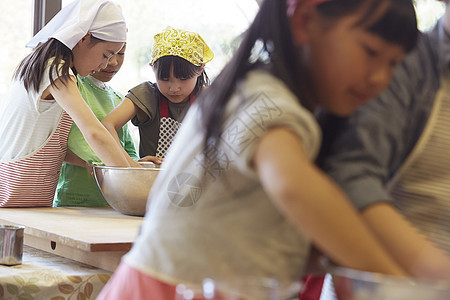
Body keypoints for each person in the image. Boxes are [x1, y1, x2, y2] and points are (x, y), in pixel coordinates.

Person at [97, 0, 418, 299]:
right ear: (305, 20)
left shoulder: (255, 94)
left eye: (394, 64)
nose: (381, 78)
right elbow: (294, 187)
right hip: (168, 288)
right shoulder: (267, 101)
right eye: (371, 52)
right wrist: (395, 281)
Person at [317, 0, 450, 282]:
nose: (380, 75)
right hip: (388, 286)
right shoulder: (406, 61)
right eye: (371, 53)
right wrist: (434, 278)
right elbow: (350, 176)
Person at [0, 0, 140, 208]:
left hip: (25, 198)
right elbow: (94, 132)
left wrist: (87, 163)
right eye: (105, 54)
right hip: (14, 197)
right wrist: (134, 181)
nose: (106, 64)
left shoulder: (43, 65)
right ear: (84, 37)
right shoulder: (57, 71)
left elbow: (41, 144)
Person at [102, 26, 213, 164]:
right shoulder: (146, 95)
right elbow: (107, 125)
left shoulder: (211, 99)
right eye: (164, 79)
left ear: (200, 69)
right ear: (152, 68)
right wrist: (131, 164)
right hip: (152, 182)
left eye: (183, 79)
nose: (174, 88)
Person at [54, 44, 139, 207]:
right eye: (108, 54)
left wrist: (138, 164)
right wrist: (102, 164)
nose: (113, 61)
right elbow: (63, 142)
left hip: (112, 201)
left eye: (121, 54)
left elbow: (126, 148)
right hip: (74, 200)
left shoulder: (119, 99)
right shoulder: (72, 86)